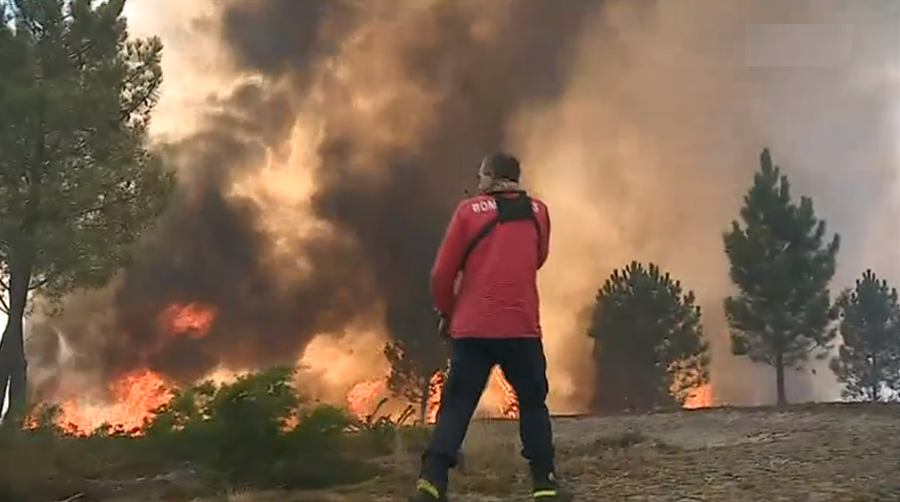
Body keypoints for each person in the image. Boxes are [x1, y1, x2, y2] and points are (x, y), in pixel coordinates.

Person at [411, 153, 572, 502]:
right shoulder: (539, 212)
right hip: (521, 328)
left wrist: (447, 311)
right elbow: (538, 257)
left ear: (488, 176)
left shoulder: (468, 211)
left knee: (457, 405)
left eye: (481, 174)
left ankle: (432, 482)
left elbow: (442, 274)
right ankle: (544, 484)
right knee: (532, 403)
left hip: (473, 329)